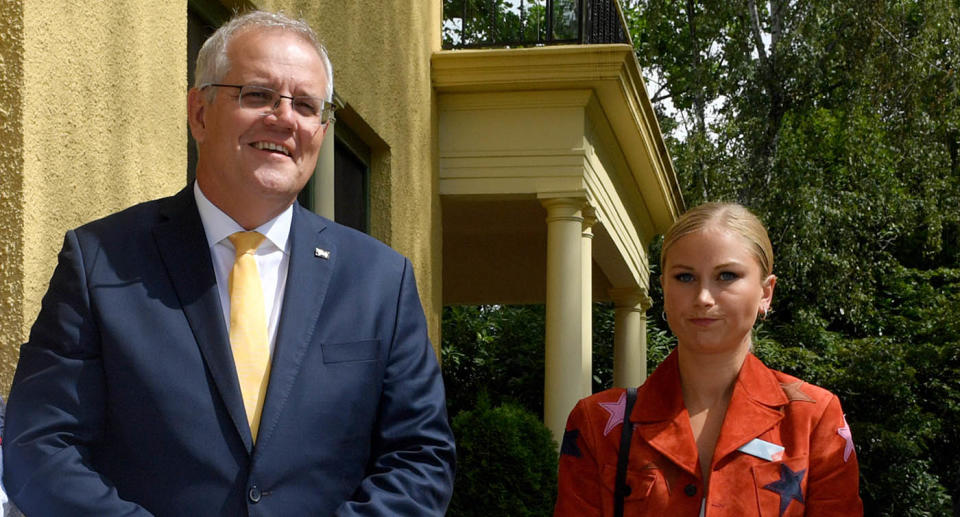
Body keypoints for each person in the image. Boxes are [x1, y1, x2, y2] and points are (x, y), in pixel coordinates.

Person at [2, 10, 455, 516]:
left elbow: (421, 458)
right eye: (257, 95)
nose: (284, 119)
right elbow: (38, 446)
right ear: (199, 113)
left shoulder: (379, 281)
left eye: (306, 105)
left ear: (321, 133)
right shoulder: (100, 261)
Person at [554, 202, 862, 516]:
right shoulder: (597, 425)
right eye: (685, 277)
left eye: (726, 276)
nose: (703, 297)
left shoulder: (813, 420)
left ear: (766, 293)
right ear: (664, 288)